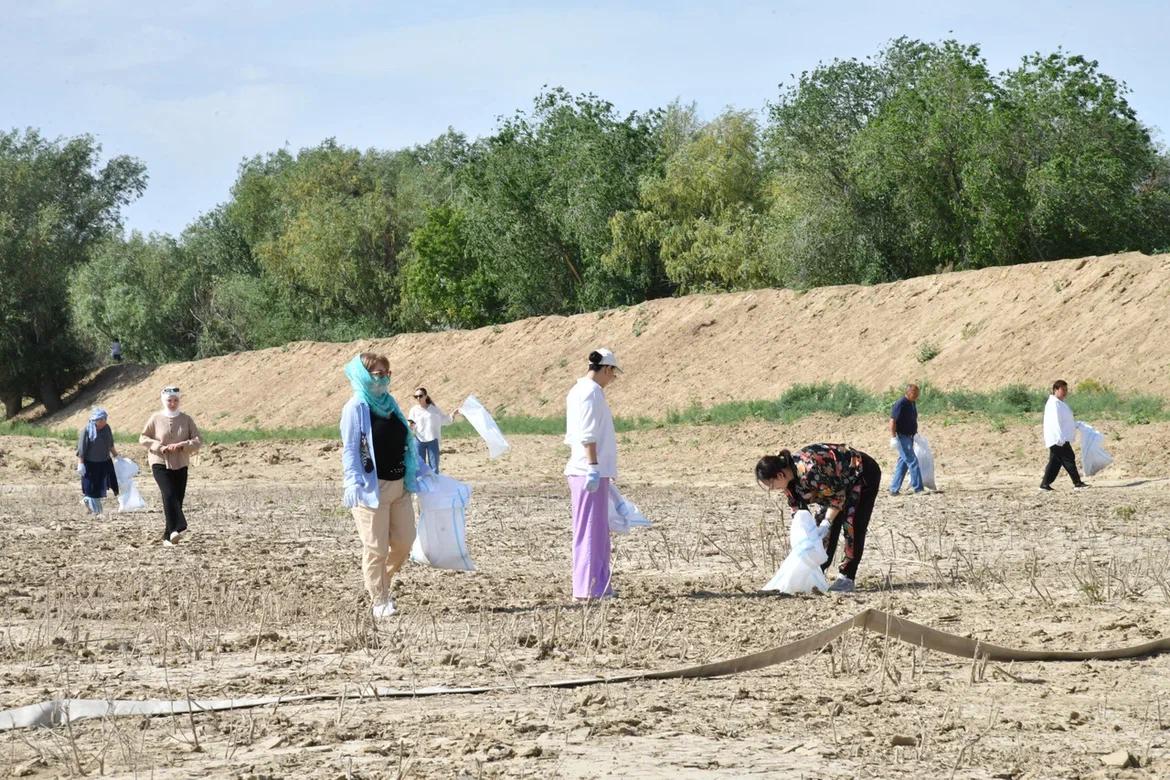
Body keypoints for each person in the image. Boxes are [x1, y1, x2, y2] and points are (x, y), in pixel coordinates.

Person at [340, 353, 421, 619]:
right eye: (378, 374)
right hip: (371, 487)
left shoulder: (391, 404)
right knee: (376, 548)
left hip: (400, 485)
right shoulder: (356, 407)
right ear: (364, 377)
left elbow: (406, 439)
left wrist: (420, 468)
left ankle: (380, 580)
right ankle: (379, 599)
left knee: (404, 542)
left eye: (388, 373)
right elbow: (351, 448)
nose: (384, 379)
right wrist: (352, 481)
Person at [756, 443, 882, 593]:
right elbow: (798, 510)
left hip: (861, 474)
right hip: (835, 486)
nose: (772, 489)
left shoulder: (809, 470)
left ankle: (847, 576)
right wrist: (804, 535)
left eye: (771, 485)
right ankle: (816, 571)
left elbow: (838, 497)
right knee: (816, 535)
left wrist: (827, 522)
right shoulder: (788, 482)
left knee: (851, 524)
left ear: (780, 475)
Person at [564, 348, 622, 600]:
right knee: (590, 530)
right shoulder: (590, 392)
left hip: (590, 469)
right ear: (607, 369)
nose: (613, 380)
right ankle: (588, 587)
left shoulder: (580, 390)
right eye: (613, 374)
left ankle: (598, 584)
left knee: (597, 531)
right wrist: (593, 467)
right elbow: (587, 432)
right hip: (587, 469)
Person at [140, 386, 201, 546]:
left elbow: (197, 440)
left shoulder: (187, 419)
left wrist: (182, 445)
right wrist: (160, 447)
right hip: (159, 461)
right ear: (163, 401)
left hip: (180, 462)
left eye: (175, 400)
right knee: (168, 494)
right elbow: (143, 438)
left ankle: (169, 535)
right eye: (169, 400)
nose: (172, 403)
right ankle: (180, 525)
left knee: (178, 497)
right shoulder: (155, 418)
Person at [1041, 379, 1088, 491]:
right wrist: (1059, 438)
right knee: (1068, 458)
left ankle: (1044, 485)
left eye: (1066, 390)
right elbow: (1055, 422)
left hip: (1060, 438)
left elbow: (1065, 420)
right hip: (1058, 438)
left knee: (1055, 463)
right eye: (1063, 389)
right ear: (1056, 390)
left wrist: (1076, 424)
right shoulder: (1053, 404)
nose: (1065, 392)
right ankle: (1077, 483)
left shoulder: (1060, 403)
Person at [77, 407, 119, 514]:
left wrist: (117, 457)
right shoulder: (87, 430)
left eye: (104, 420)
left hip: (104, 462)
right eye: (100, 420)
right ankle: (94, 509)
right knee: (91, 486)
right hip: (90, 464)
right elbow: (82, 449)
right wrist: (81, 463)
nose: (103, 422)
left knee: (101, 484)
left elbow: (110, 444)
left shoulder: (106, 428)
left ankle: (91, 504)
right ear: (95, 420)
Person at [408, 387, 460, 473]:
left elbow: (443, 420)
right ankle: (423, 486)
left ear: (426, 396)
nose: (418, 398)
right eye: (416, 396)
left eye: (420, 396)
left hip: (432, 440)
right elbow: (410, 423)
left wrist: (453, 414)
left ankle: (435, 485)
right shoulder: (414, 410)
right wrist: (410, 425)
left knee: (434, 467)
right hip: (418, 441)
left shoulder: (433, 409)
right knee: (419, 467)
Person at [888, 384, 923, 496]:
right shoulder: (901, 403)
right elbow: (892, 421)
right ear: (908, 392)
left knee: (903, 463)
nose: (917, 395)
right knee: (912, 461)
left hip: (909, 436)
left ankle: (894, 489)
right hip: (902, 436)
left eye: (917, 393)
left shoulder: (912, 403)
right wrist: (893, 437)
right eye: (914, 393)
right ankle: (918, 488)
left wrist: (915, 433)